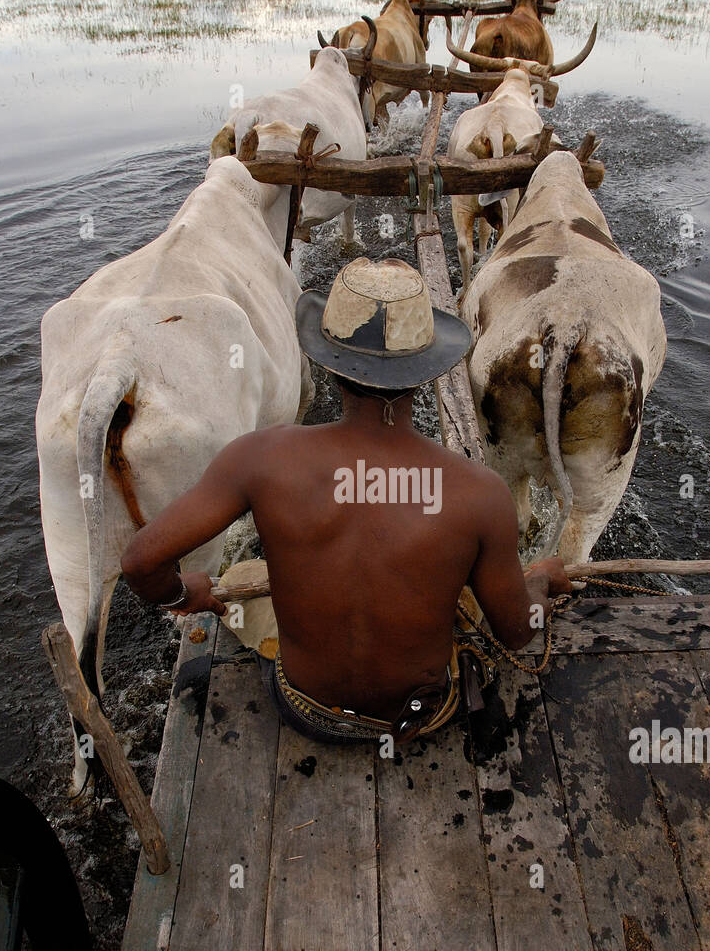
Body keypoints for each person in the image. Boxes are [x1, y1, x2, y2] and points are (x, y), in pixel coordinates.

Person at [121, 258, 572, 745]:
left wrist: (182, 594)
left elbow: (142, 561)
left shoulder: (257, 458)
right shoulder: (480, 493)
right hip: (419, 717)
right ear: (425, 372)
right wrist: (541, 583)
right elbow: (516, 633)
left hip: (303, 708)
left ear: (329, 365)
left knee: (242, 586)